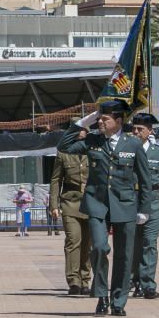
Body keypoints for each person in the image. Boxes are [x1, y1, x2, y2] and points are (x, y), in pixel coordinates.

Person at [57, 100, 153, 317]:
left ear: (118, 121)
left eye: (104, 119)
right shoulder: (92, 140)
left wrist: (144, 209)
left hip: (125, 206)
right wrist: (82, 122)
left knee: (124, 255)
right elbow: (63, 146)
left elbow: (145, 180)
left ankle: (119, 301)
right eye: (99, 118)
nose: (100, 121)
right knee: (99, 247)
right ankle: (101, 296)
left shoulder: (133, 144)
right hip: (97, 205)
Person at [129, 114, 159, 301]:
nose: (136, 132)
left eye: (140, 129)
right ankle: (134, 281)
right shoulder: (126, 150)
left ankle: (147, 285)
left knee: (149, 244)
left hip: (154, 204)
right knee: (133, 246)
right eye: (134, 128)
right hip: (131, 203)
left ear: (150, 131)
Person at [50, 125, 91, 295]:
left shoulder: (93, 149)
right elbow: (56, 179)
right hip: (70, 202)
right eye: (78, 130)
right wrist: (54, 205)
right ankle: (74, 281)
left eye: (84, 131)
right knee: (74, 240)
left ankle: (85, 279)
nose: (82, 133)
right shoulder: (64, 153)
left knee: (88, 243)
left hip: (91, 203)